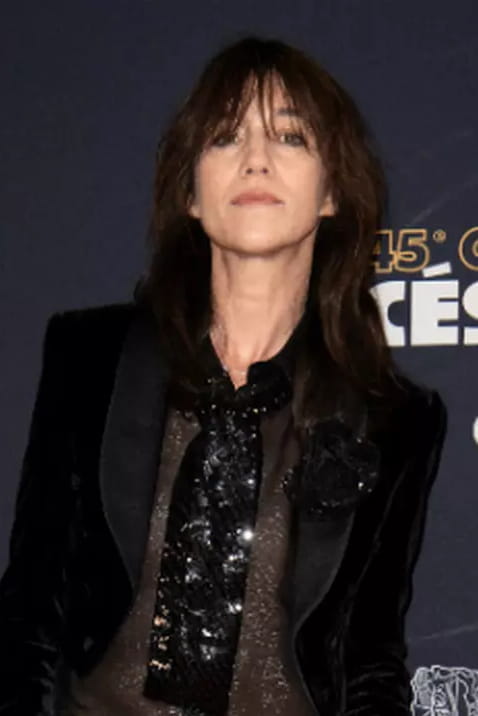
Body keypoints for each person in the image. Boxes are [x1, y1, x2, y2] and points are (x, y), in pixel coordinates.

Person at [0, 36, 447, 716]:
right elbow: (31, 614)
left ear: (332, 192)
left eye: (291, 137)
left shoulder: (395, 418)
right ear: (190, 192)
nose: (256, 159)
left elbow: (368, 663)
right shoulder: (90, 358)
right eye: (226, 136)